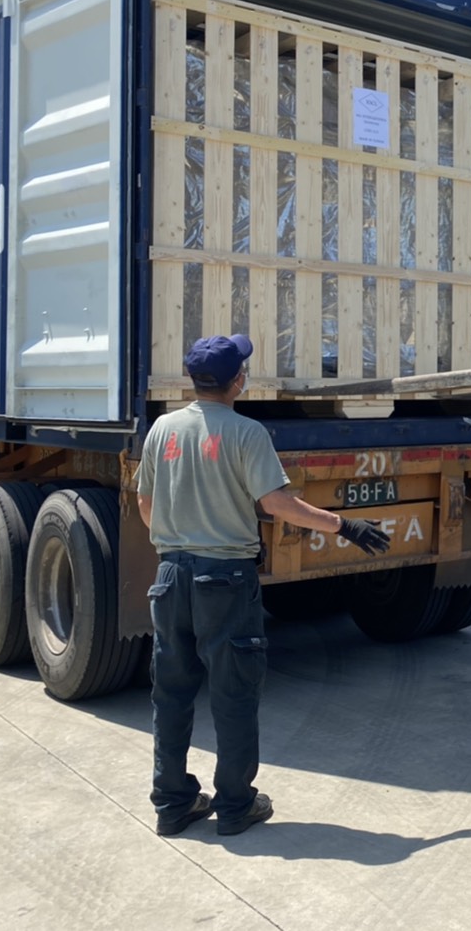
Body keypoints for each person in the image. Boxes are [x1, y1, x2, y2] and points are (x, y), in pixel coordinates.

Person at [137, 334, 393, 837]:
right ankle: (235, 805)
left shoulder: (162, 429)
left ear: (193, 379)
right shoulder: (246, 433)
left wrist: (179, 540)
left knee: (171, 693)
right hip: (225, 580)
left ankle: (172, 804)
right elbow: (276, 504)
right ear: (237, 381)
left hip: (170, 576)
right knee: (233, 694)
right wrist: (344, 525)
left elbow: (146, 504)